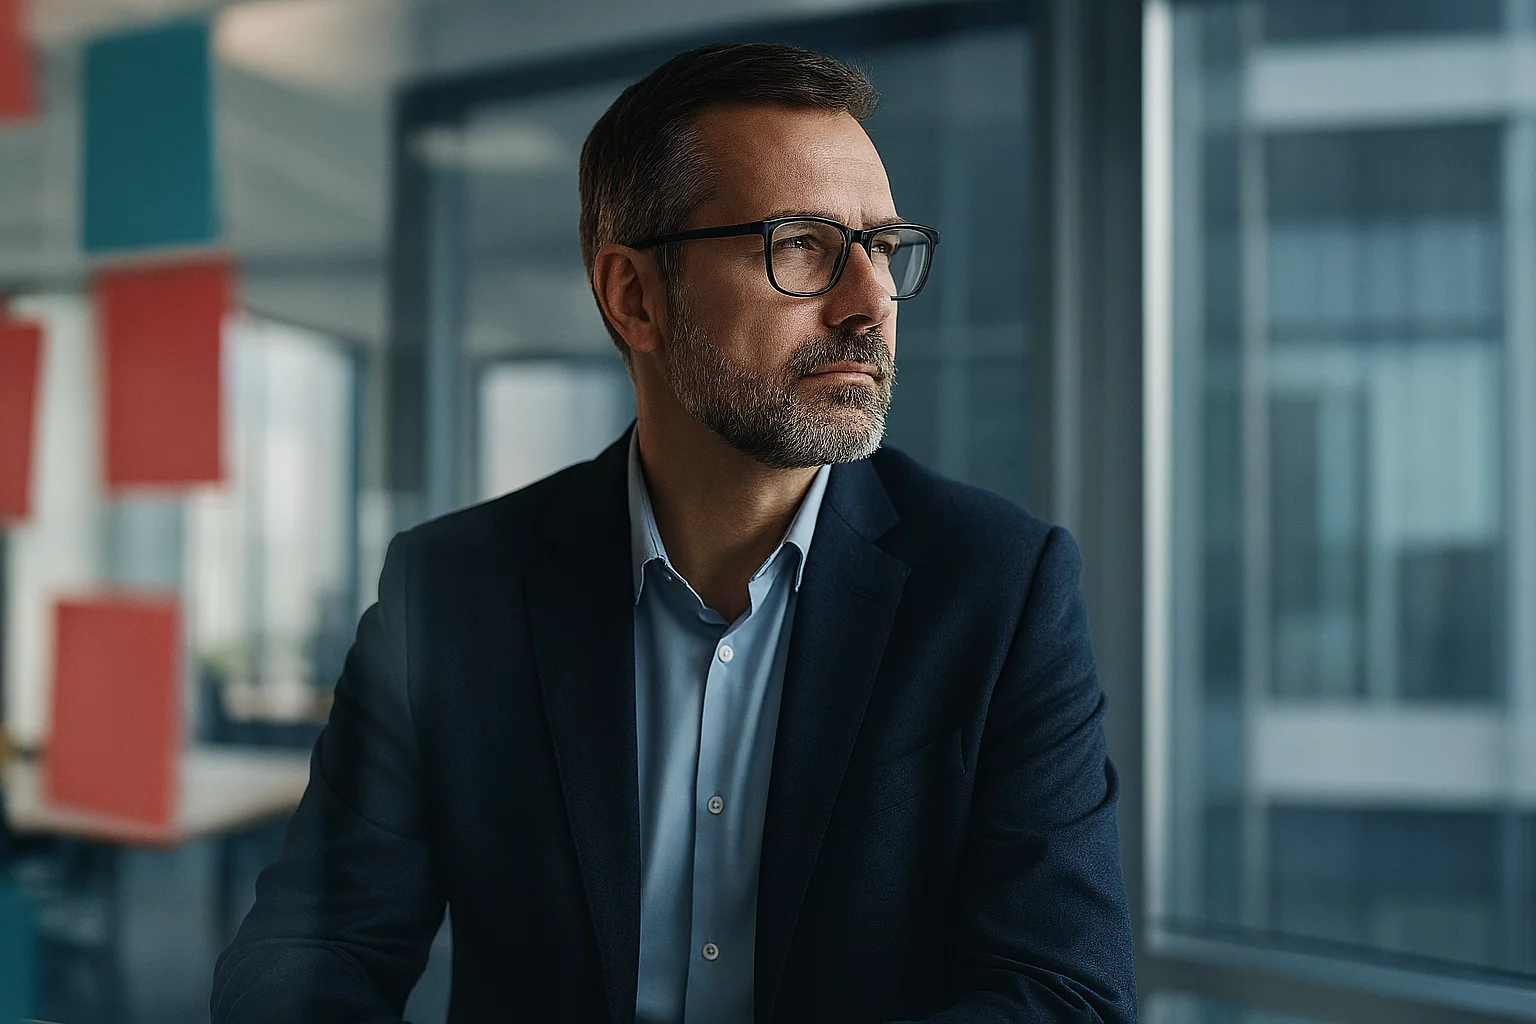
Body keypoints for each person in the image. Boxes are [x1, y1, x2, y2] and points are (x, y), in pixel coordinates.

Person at [212, 42, 1136, 1024]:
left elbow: (1064, 991)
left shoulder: (1001, 586)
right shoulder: (450, 590)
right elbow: (312, 947)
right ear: (634, 296)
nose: (871, 300)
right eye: (802, 245)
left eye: (882, 245)